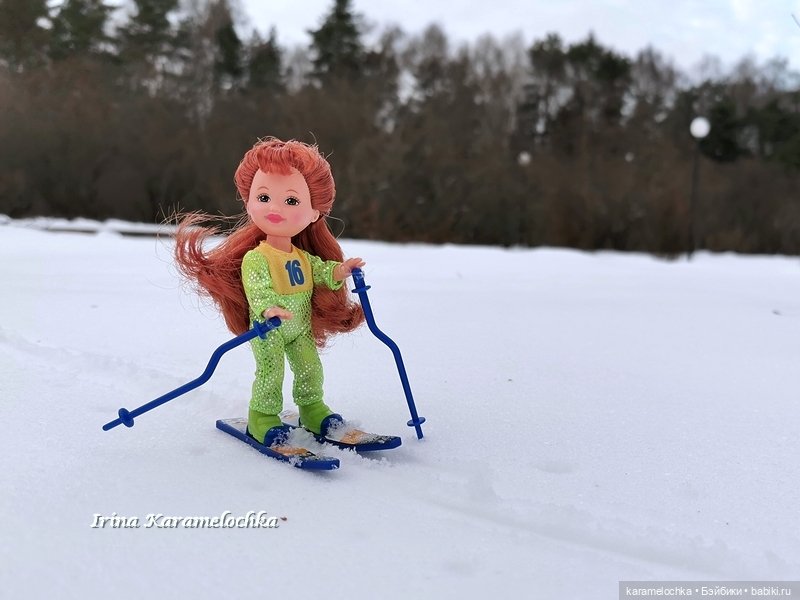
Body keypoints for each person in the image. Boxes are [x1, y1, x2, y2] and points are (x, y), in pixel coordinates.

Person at [174, 137, 365, 446]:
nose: (274, 208)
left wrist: (341, 271)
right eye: (263, 197)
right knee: (270, 372)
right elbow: (258, 290)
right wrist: (267, 310)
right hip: (269, 328)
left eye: (291, 201)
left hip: (299, 327)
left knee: (310, 370)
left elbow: (320, 271)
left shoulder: (302, 256)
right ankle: (262, 417)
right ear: (249, 202)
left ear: (315, 212)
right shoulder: (257, 258)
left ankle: (313, 410)